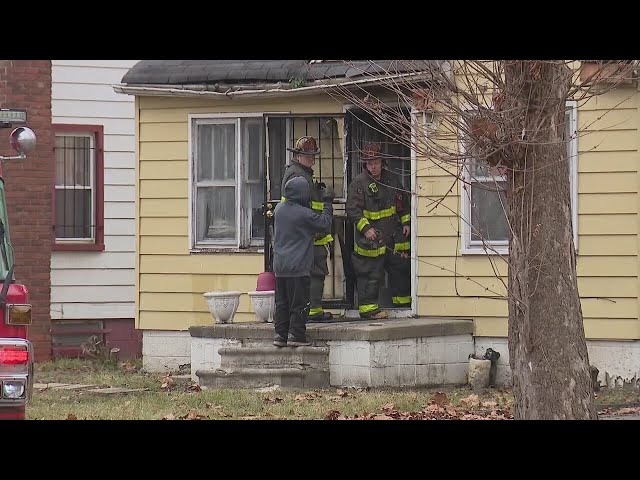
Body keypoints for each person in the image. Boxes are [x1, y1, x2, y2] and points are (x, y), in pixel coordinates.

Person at [346, 141, 411, 319]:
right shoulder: (358, 183)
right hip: (371, 239)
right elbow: (353, 210)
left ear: (382, 162)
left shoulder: (392, 180)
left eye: (376, 163)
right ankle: (368, 310)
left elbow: (402, 202)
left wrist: (406, 223)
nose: (373, 167)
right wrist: (366, 229)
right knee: (370, 273)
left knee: (400, 269)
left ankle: (403, 306)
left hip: (393, 236)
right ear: (365, 165)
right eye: (370, 164)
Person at [272, 176, 334, 347]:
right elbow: (324, 223)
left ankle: (280, 335)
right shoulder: (303, 214)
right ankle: (296, 335)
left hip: (280, 267)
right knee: (299, 302)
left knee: (282, 303)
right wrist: (327, 202)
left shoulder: (279, 209)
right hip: (298, 267)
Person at [281, 136, 334, 322]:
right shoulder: (298, 176)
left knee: (316, 272)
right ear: (297, 155)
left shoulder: (304, 173)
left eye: (314, 155)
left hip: (312, 232)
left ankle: (314, 310)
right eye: (308, 155)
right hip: (310, 234)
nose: (312, 158)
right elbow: (300, 209)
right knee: (315, 273)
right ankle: (312, 311)